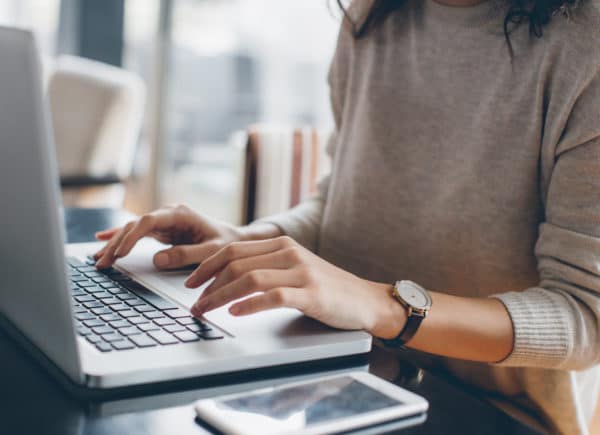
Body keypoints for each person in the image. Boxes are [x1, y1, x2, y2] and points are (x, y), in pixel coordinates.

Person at [94, 0, 600, 433]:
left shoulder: (585, 45)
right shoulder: (372, 15)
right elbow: (340, 200)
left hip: (491, 415)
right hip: (341, 372)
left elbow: (584, 316)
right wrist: (247, 241)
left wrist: (384, 305)